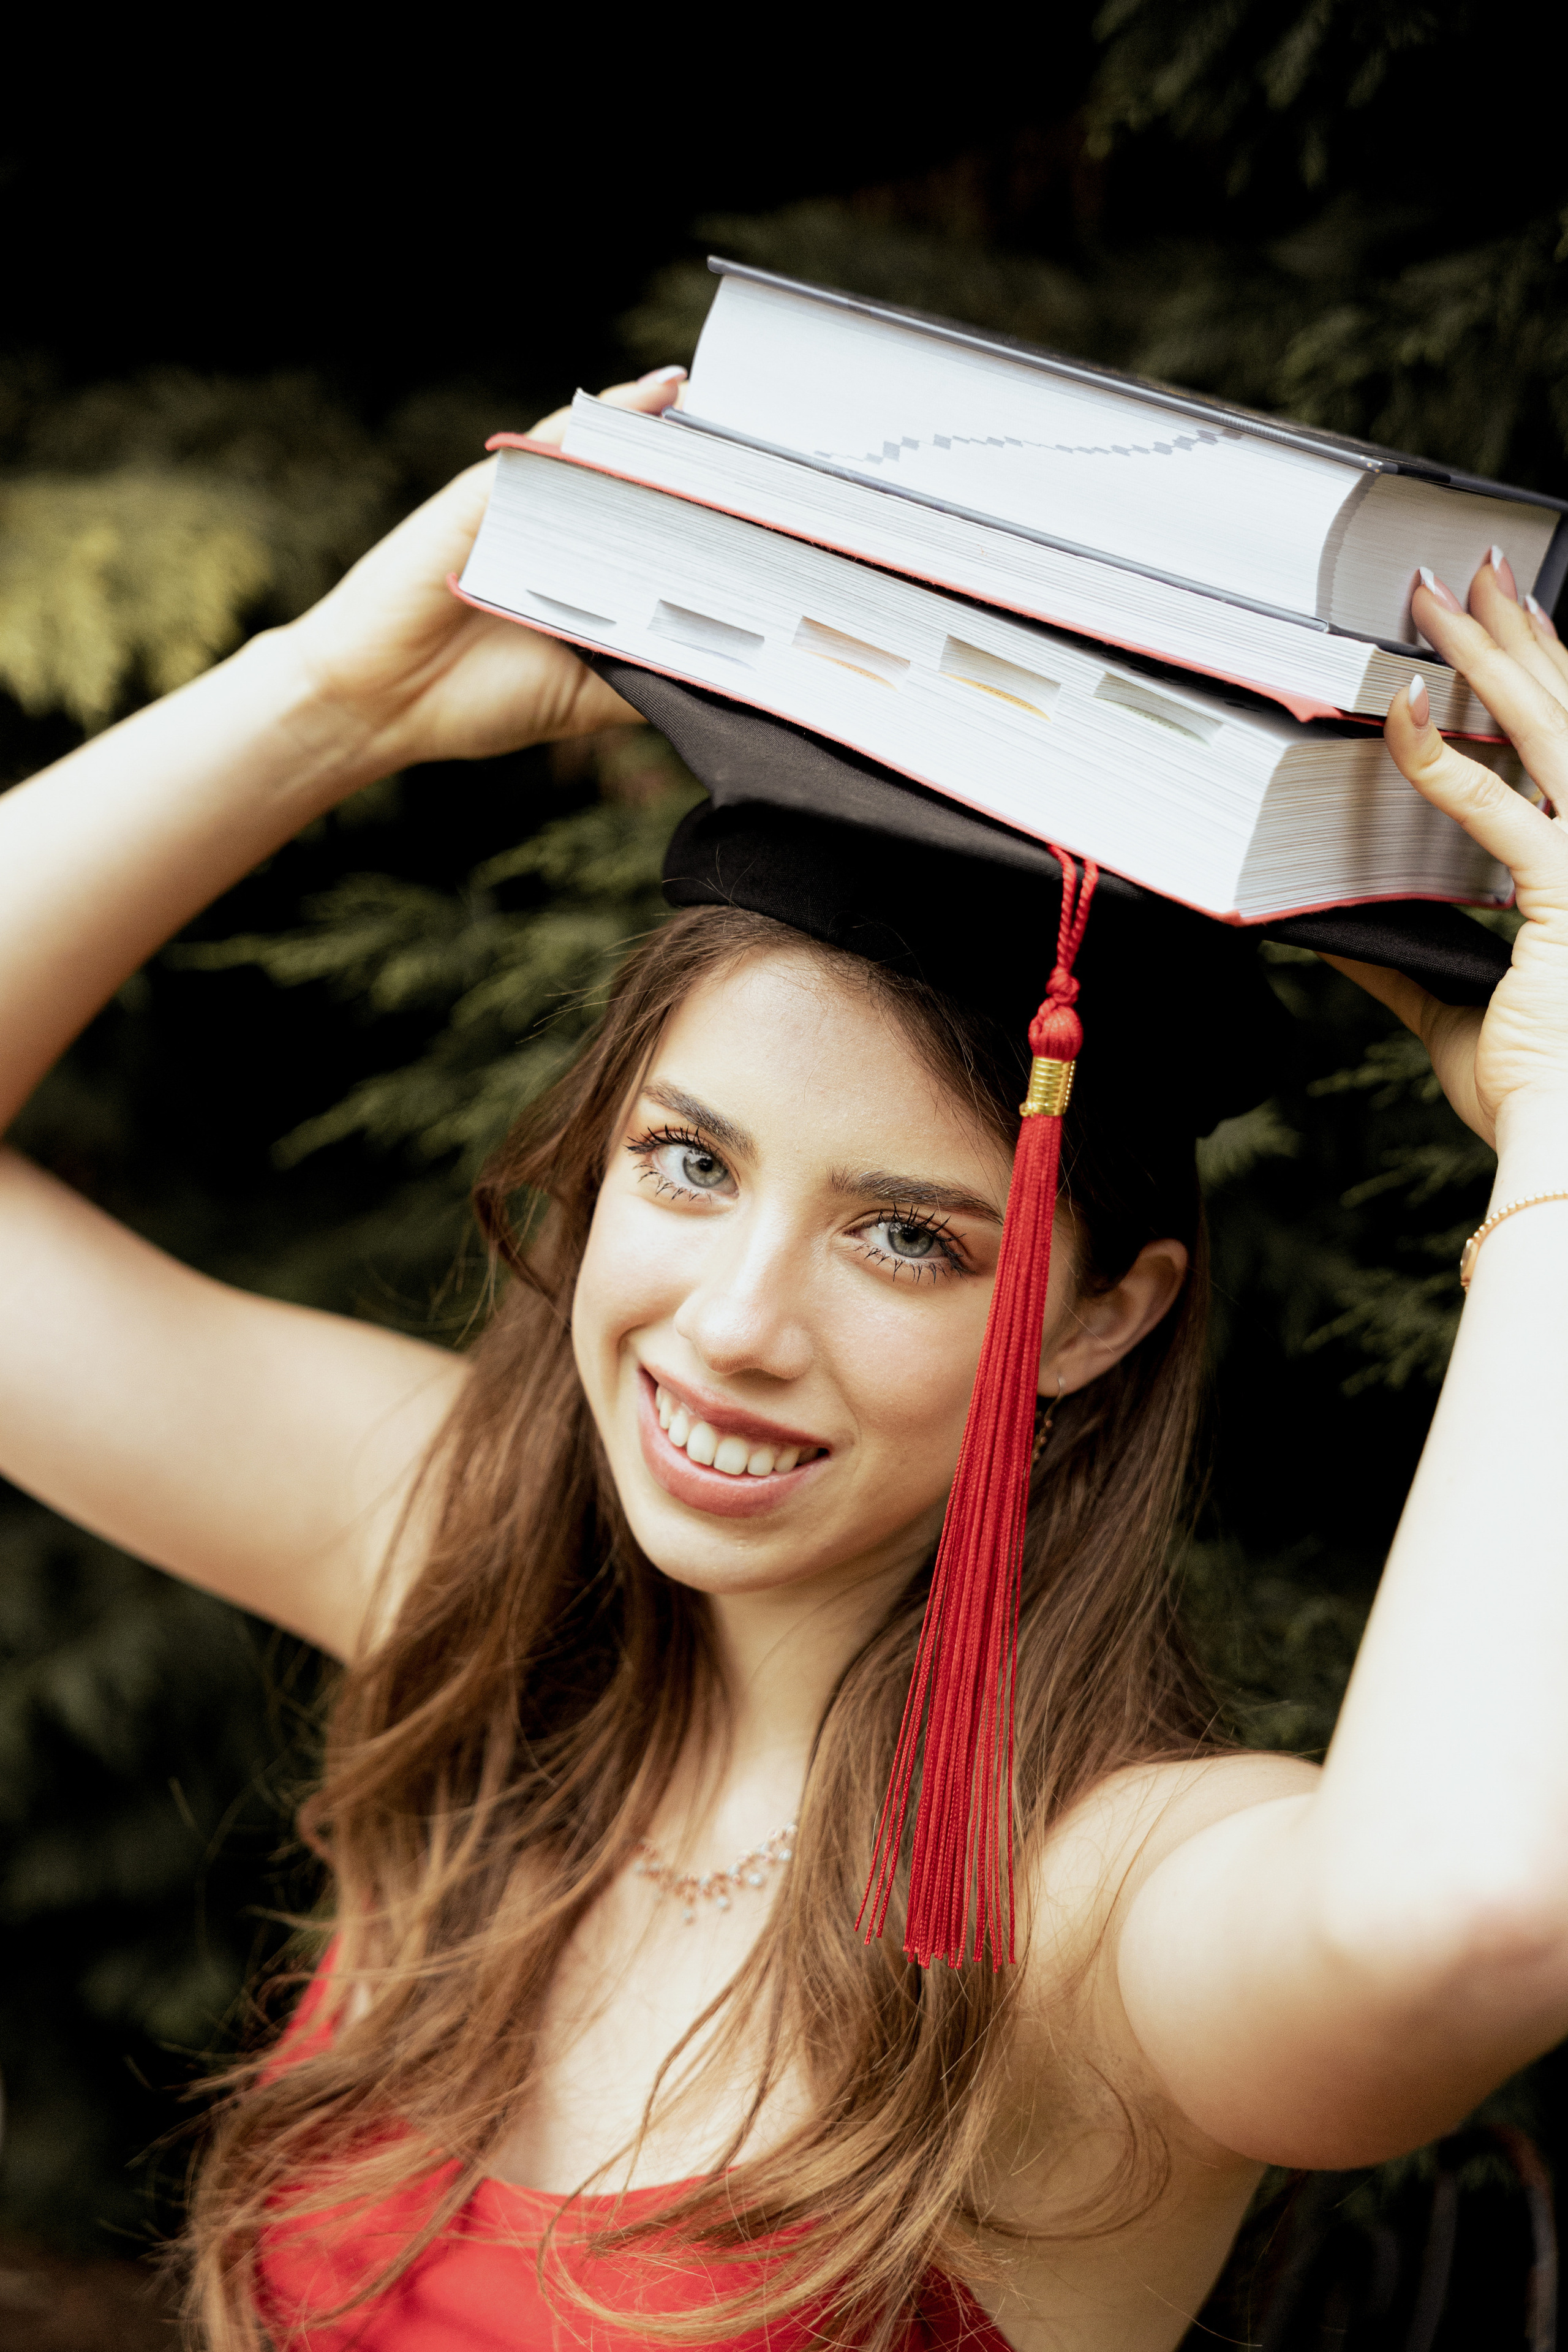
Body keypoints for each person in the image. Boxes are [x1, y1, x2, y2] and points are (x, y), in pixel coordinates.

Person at [2, 364, 1567, 2352]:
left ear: (1107, 1314)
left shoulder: (1086, 1918)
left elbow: (1475, 1919)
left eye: (908, 1237)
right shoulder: (470, 1593)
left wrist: (1567, 1126)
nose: (735, 1325)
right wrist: (331, 699)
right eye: (688, 1163)